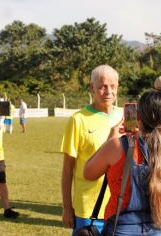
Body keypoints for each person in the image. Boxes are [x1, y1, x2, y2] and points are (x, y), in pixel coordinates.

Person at [84, 90, 161, 235]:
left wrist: (112, 138)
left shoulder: (117, 146)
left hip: (123, 227)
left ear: (137, 115)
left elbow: (88, 172)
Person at [61, 65, 123, 234]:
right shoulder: (78, 120)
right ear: (92, 87)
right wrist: (67, 208)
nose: (108, 91)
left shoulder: (125, 117)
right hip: (89, 209)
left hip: (120, 208)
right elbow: (67, 170)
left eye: (113, 86)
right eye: (102, 86)